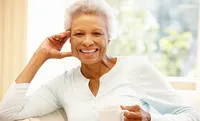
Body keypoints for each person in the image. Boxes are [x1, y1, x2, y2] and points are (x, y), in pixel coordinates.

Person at [0, 0, 200, 121]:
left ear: (108, 38)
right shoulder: (62, 84)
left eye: (97, 33)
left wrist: (150, 119)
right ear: (69, 38)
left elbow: (191, 116)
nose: (87, 41)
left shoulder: (136, 68)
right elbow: (7, 114)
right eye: (78, 34)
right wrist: (40, 55)